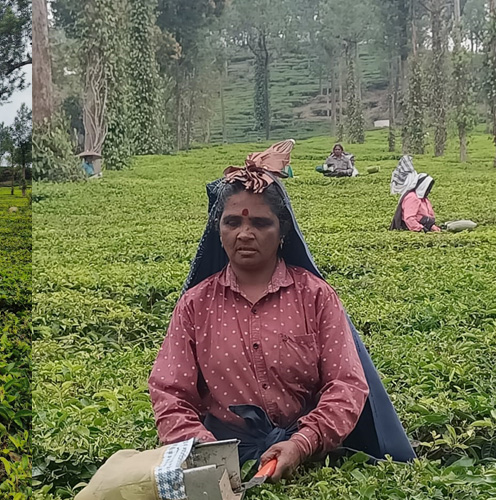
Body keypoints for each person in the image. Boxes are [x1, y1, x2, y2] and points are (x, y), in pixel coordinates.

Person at [148, 139, 414, 483]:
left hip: (311, 461)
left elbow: (346, 384)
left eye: (261, 223)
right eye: (232, 222)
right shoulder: (196, 305)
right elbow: (170, 392)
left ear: (283, 230)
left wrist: (303, 443)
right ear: (218, 229)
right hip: (221, 466)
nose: (245, 234)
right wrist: (208, 453)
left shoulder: (315, 297)